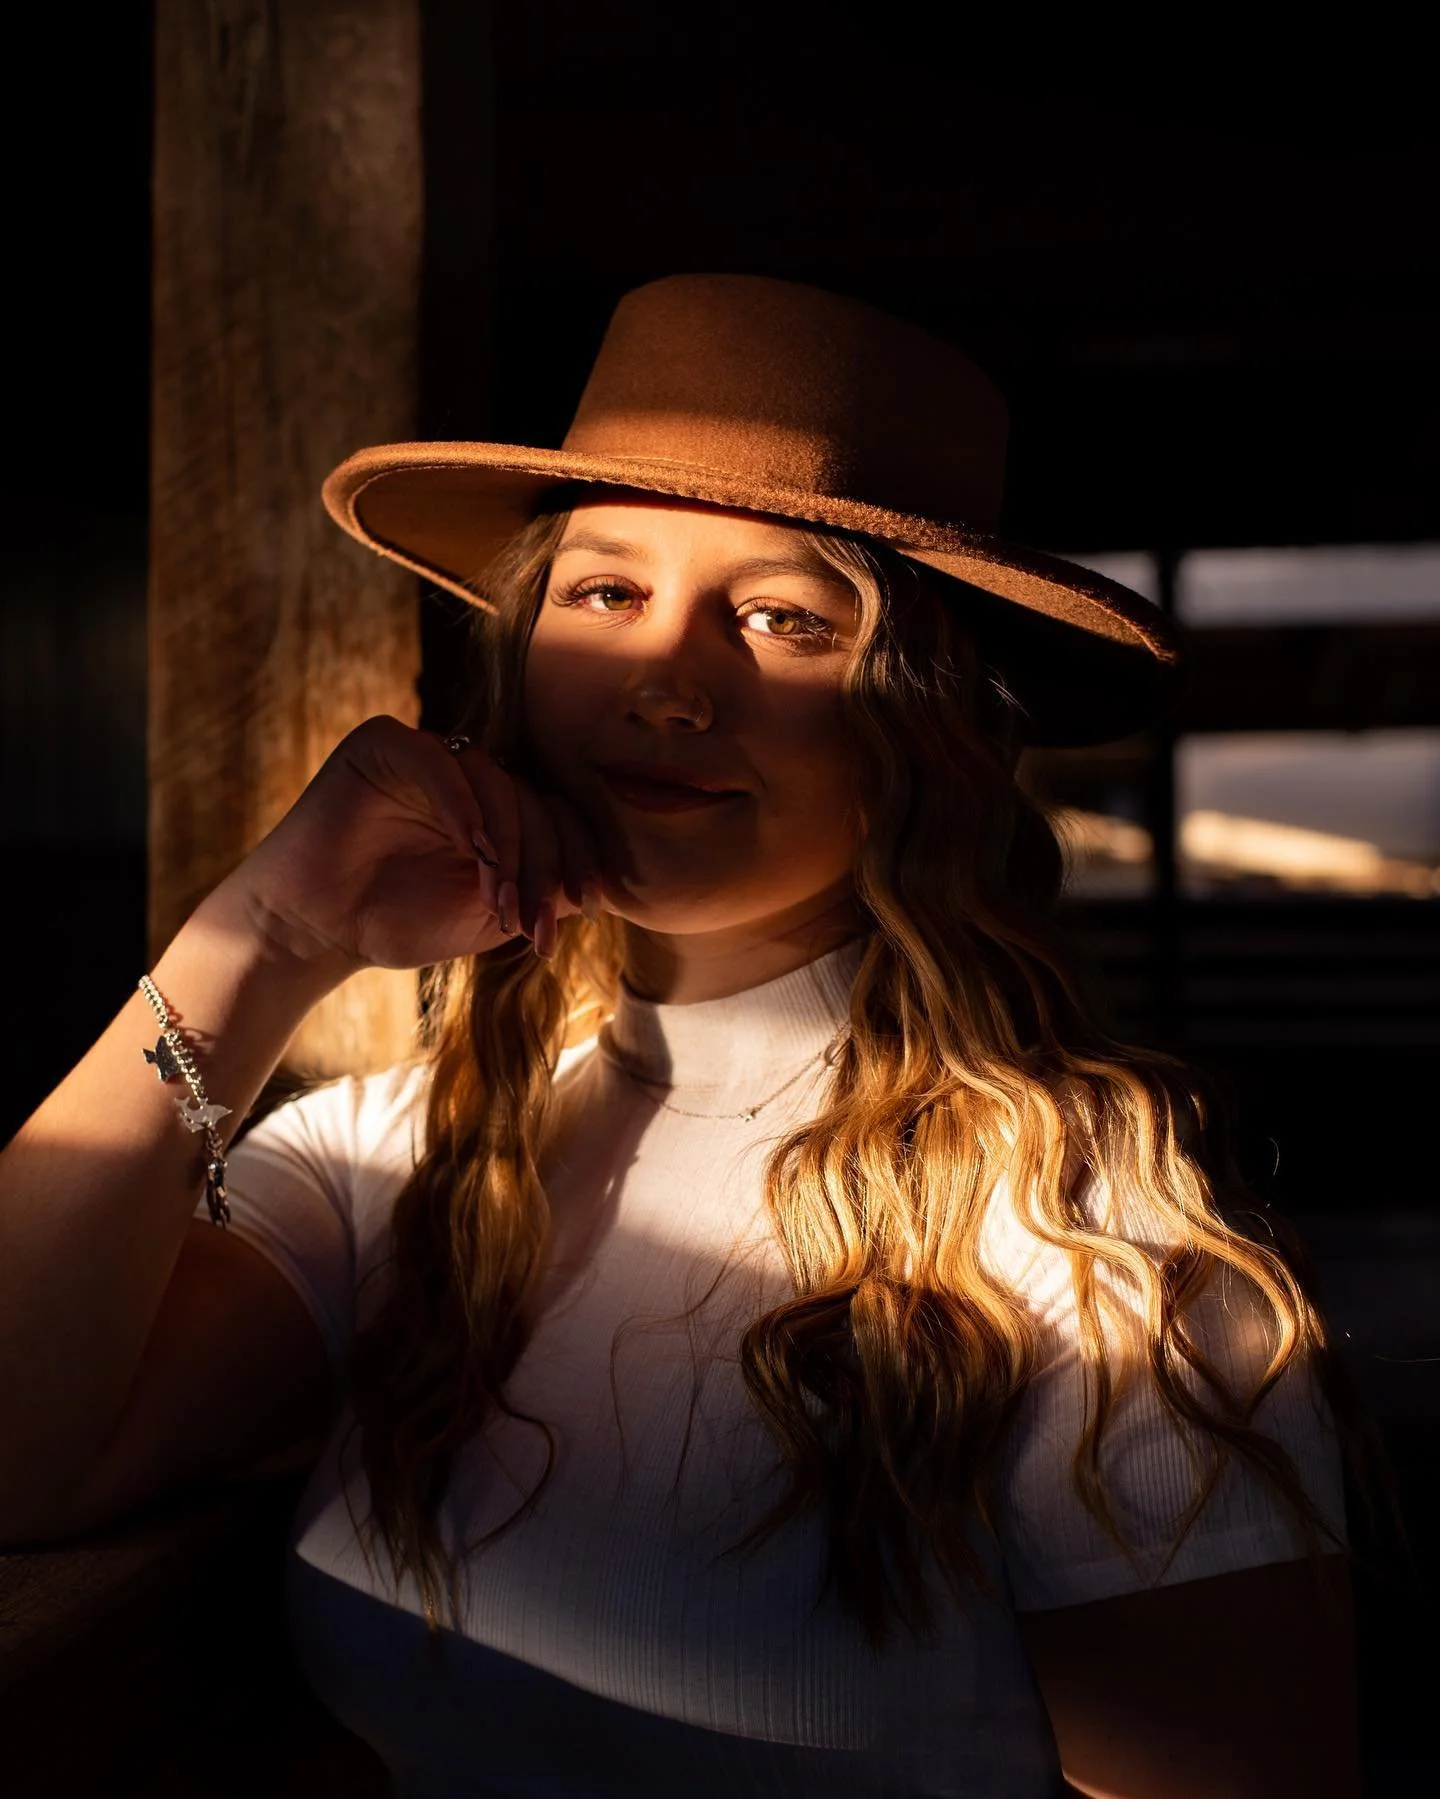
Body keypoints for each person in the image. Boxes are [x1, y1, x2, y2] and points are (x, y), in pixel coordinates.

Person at [0, 275, 1365, 1797]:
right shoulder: (384, 1159)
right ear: (520, 665)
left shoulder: (1088, 1239)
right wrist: (258, 941)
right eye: (603, 594)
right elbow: (18, 1452)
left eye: (783, 617)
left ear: (927, 728)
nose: (667, 678)